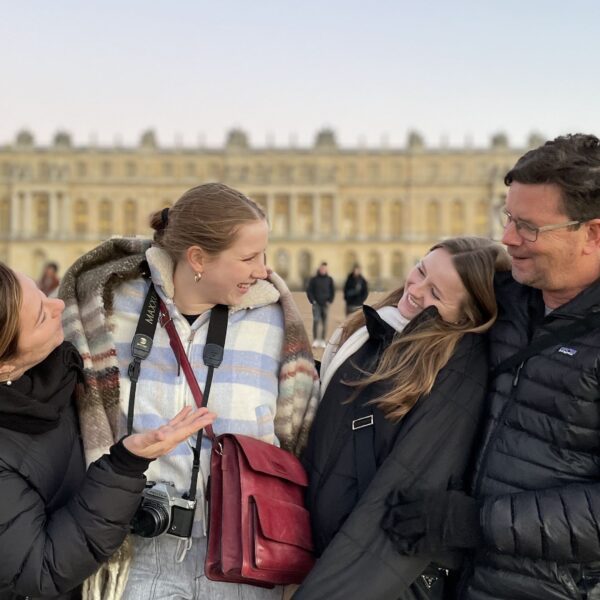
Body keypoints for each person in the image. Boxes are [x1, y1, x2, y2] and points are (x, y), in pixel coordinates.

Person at [60, 183, 319, 600]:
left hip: (243, 561)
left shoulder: (275, 323)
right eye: (249, 257)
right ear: (198, 258)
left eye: (263, 254)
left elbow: (300, 440)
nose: (263, 270)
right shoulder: (107, 308)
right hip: (132, 553)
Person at [382, 134, 600, 600]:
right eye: (508, 218)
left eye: (528, 227)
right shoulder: (502, 301)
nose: (506, 238)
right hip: (456, 579)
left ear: (592, 234)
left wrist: (475, 521)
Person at [294, 237, 511, 599]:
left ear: (467, 314)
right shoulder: (380, 328)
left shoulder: (453, 370)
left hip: (374, 579)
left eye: (436, 294)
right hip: (328, 551)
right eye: (421, 270)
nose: (415, 289)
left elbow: (400, 496)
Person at [0, 262, 216, 600]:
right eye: (41, 316)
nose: (59, 305)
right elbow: (40, 571)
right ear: (5, 366)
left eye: (42, 295)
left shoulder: (56, 372)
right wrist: (125, 465)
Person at [306, 262, 335, 348]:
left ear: (326, 269)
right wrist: (313, 301)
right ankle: (315, 340)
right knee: (316, 321)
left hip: (325, 304)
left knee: (324, 322)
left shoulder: (329, 279)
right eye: (322, 268)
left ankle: (322, 340)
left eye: (324, 268)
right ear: (319, 269)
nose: (323, 270)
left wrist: (330, 300)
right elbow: (309, 291)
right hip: (316, 304)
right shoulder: (314, 279)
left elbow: (332, 291)